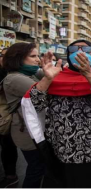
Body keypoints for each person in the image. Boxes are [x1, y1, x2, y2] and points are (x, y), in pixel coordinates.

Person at [26, 39, 91, 189]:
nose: (80, 52)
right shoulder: (56, 76)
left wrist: (88, 73)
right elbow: (34, 106)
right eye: (74, 49)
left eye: (86, 49)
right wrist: (48, 78)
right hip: (64, 151)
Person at [2, 43, 45, 189]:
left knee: (41, 167)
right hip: (26, 132)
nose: (37, 60)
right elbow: (44, 93)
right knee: (36, 169)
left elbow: (49, 75)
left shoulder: (30, 73)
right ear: (18, 58)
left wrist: (48, 68)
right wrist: (49, 74)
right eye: (33, 56)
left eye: (38, 55)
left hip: (37, 129)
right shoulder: (14, 78)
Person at [0, 47, 20, 189]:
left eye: (7, 56)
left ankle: (11, 176)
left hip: (6, 118)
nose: (3, 58)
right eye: (1, 55)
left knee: (8, 147)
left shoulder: (14, 76)